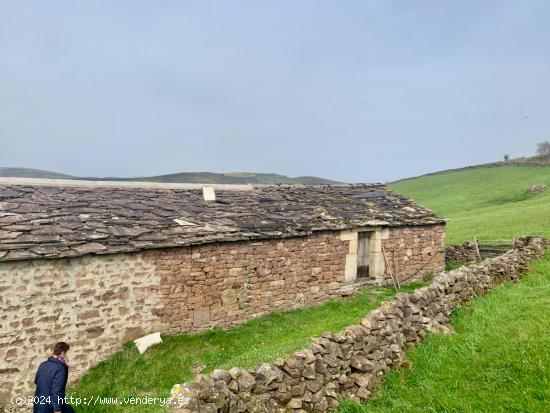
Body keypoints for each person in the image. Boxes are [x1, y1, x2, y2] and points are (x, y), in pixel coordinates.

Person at [33, 342, 75, 413]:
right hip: (50, 407)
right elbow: (57, 390)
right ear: (62, 353)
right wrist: (57, 409)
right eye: (67, 353)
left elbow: (36, 381)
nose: (67, 356)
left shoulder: (43, 365)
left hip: (39, 404)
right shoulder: (60, 368)